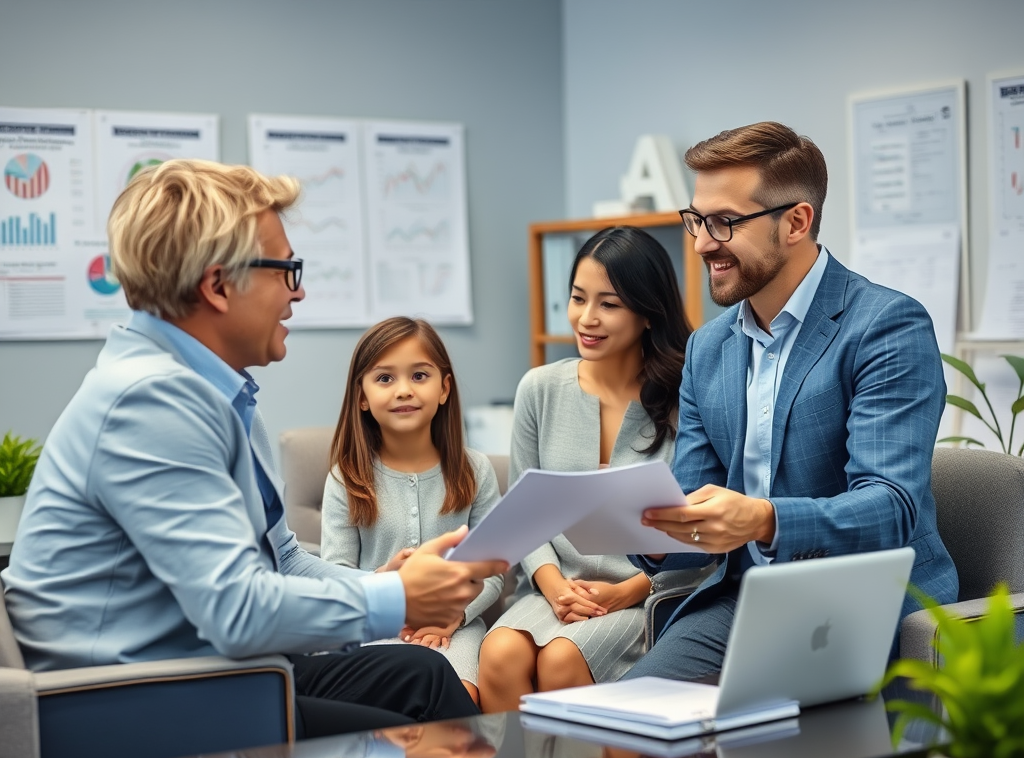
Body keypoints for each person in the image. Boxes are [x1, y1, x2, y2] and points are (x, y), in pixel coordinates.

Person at [1, 159, 506, 736]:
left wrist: (384, 584)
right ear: (218, 285)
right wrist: (397, 602)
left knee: (424, 676)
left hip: (215, 673)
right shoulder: (151, 403)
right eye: (285, 270)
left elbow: (282, 559)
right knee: (412, 743)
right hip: (133, 702)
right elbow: (237, 611)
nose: (299, 291)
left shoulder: (220, 395)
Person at [623, 121, 959, 682]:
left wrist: (762, 519)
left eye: (725, 222)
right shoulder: (709, 348)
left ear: (796, 222)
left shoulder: (885, 326)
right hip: (741, 600)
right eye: (698, 220)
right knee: (625, 729)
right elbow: (699, 512)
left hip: (857, 602)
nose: (703, 242)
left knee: (767, 743)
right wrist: (655, 536)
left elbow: (889, 507)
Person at [478, 226, 692, 712]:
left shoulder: (687, 397)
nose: (586, 318)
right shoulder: (539, 388)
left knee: (561, 661)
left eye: (609, 304)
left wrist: (624, 592)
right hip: (557, 586)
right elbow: (522, 512)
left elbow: (697, 532)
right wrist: (553, 586)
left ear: (647, 312)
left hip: (642, 594)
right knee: (498, 653)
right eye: (578, 298)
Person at [321, 316, 503, 705]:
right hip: (373, 628)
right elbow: (337, 575)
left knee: (461, 699)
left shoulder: (476, 471)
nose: (404, 390)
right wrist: (391, 599)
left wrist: (456, 615)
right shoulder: (345, 478)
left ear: (444, 388)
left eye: (419, 376)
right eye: (385, 378)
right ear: (362, 397)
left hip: (454, 627)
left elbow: (494, 574)